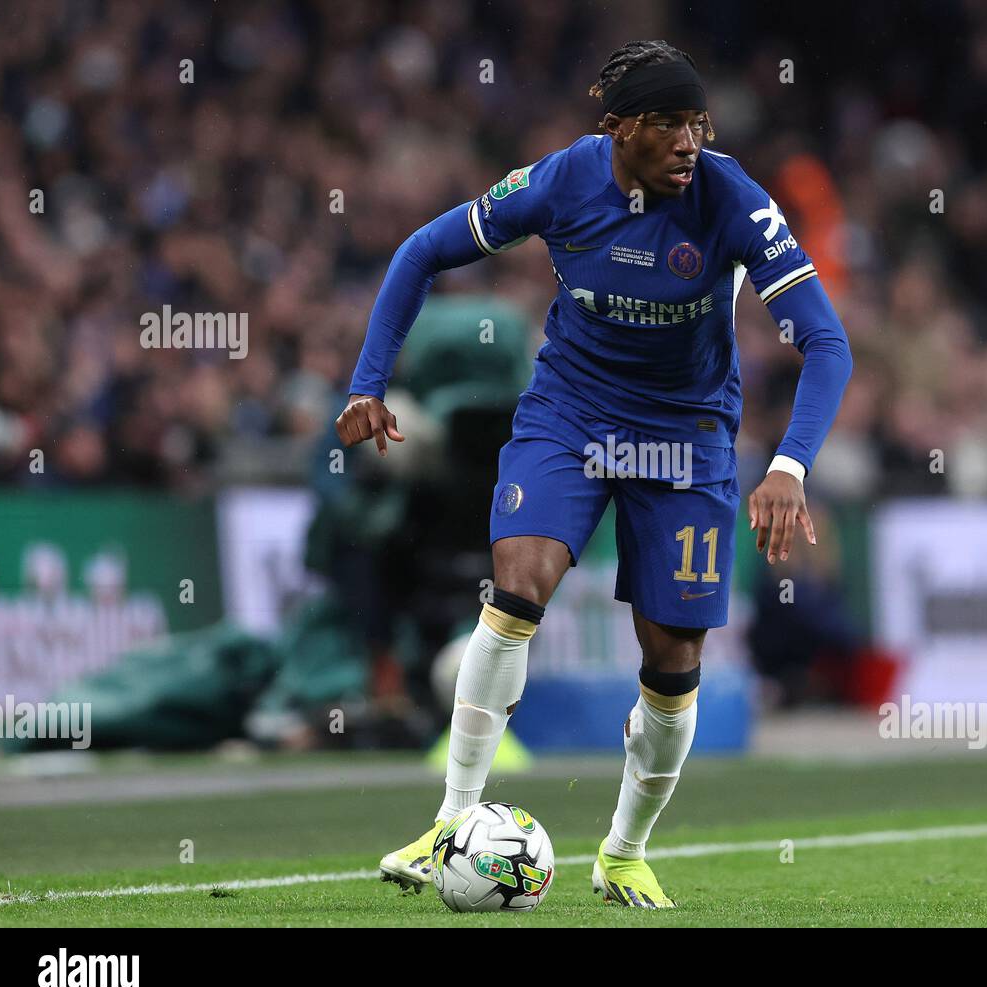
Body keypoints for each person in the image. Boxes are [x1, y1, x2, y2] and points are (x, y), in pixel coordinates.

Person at [336, 40, 852, 908]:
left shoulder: (735, 200)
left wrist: (790, 464)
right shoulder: (562, 181)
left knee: (673, 658)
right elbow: (421, 252)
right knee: (518, 587)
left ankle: (622, 850)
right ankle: (451, 822)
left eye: (698, 124)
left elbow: (826, 341)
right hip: (571, 415)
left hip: (686, 439)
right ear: (618, 130)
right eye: (667, 125)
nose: (689, 142)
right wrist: (367, 382)